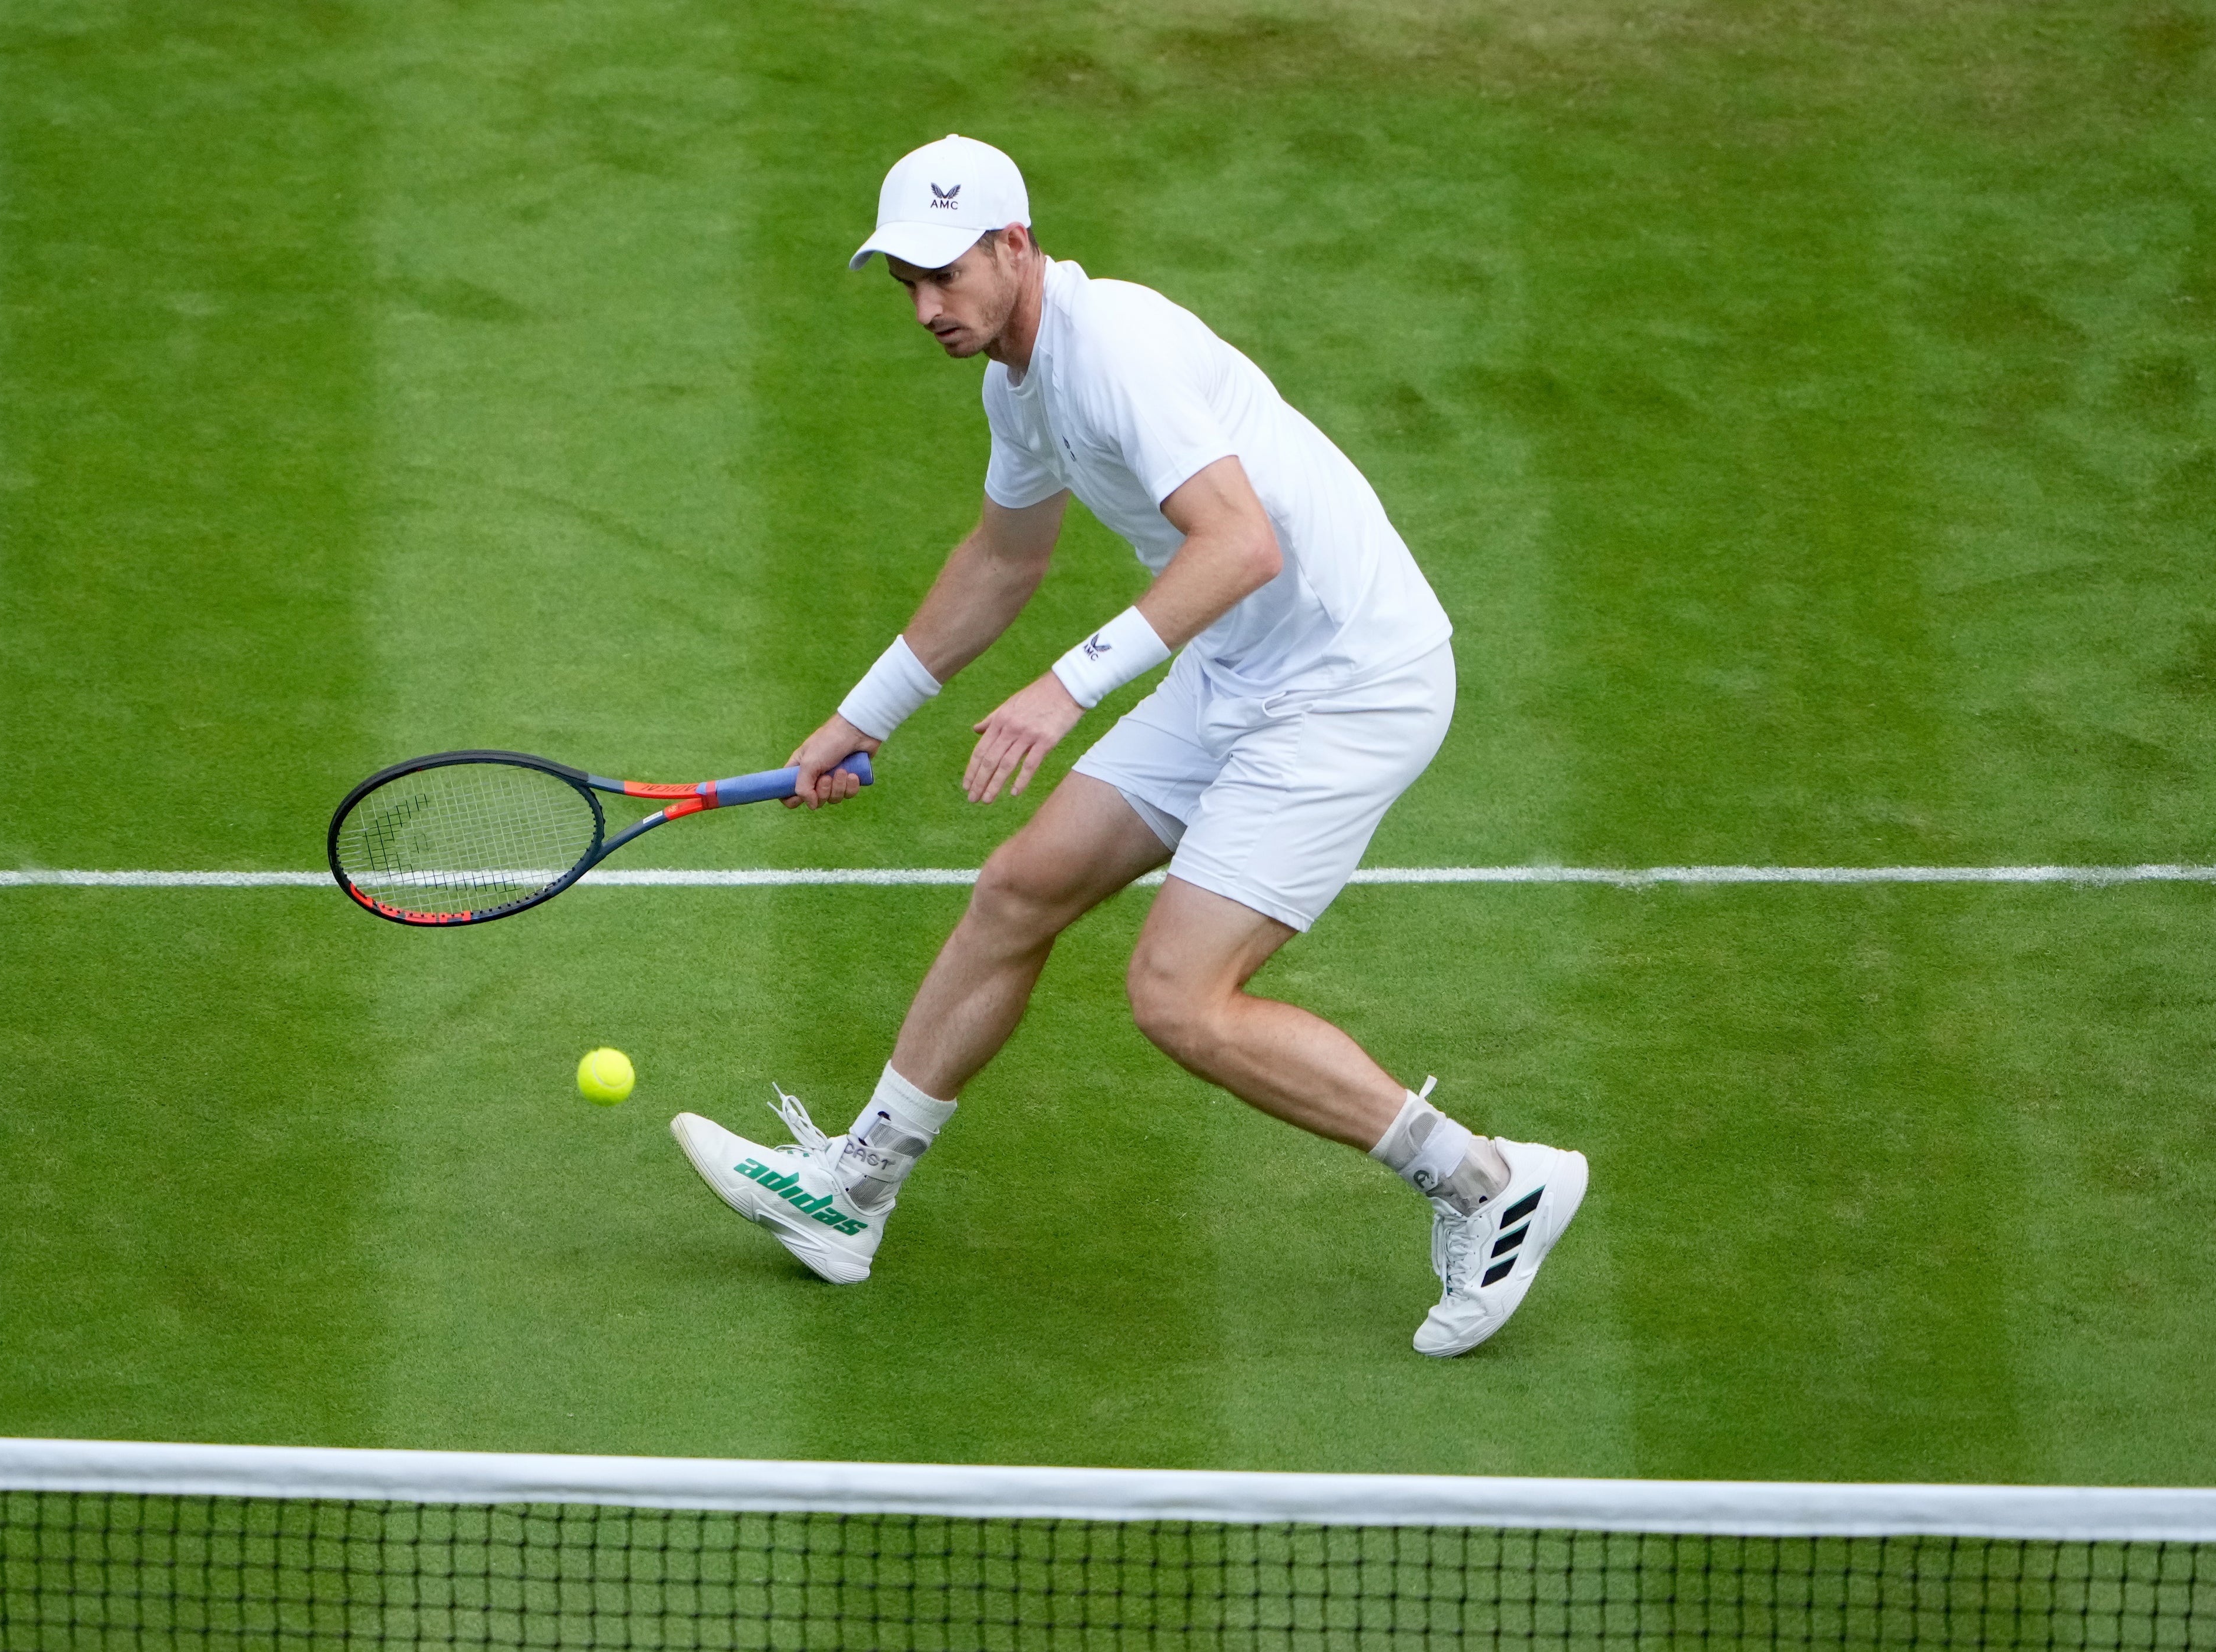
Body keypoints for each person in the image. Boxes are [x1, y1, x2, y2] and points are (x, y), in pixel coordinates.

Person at [670, 134, 1585, 1356]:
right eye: (905, 283)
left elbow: (1239, 543)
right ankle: (851, 1192)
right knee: (1017, 889)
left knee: (1178, 998)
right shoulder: (1019, 378)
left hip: (1345, 683)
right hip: (1235, 664)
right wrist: (862, 715)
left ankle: (1485, 1180)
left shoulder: (1119, 353)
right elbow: (1004, 559)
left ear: (1013, 245)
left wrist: (1064, 687)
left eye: (945, 274)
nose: (926, 307)